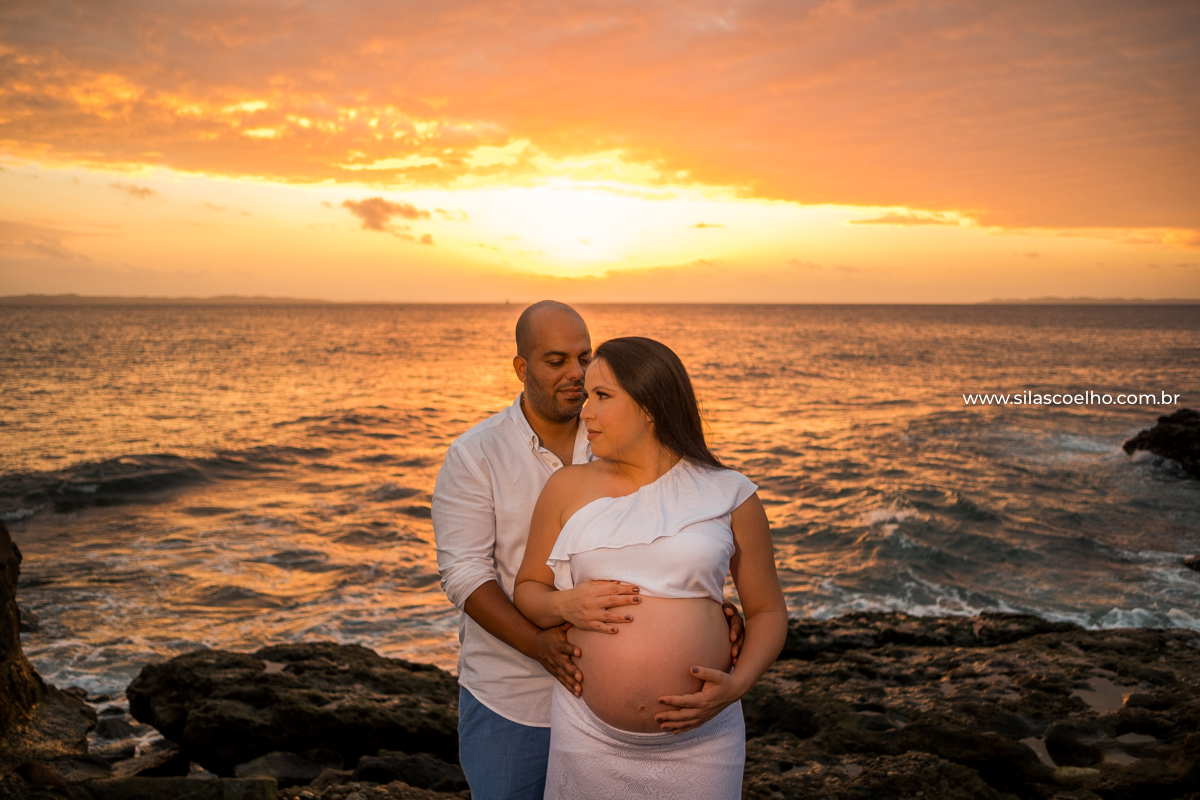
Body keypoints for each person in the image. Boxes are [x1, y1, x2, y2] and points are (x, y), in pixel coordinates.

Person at [432, 303, 745, 800]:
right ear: (522, 368)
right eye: (556, 360)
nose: (575, 374)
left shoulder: (621, 433)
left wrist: (706, 609)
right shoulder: (475, 454)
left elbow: (673, 533)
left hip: (639, 722)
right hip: (513, 698)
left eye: (584, 357)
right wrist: (538, 643)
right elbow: (465, 574)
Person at [513, 336, 788, 799]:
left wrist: (737, 686)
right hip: (587, 737)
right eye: (586, 398)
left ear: (650, 405)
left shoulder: (730, 493)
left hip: (702, 741)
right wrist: (566, 604)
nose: (585, 413)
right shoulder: (566, 488)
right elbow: (528, 593)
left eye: (602, 397)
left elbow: (767, 612)